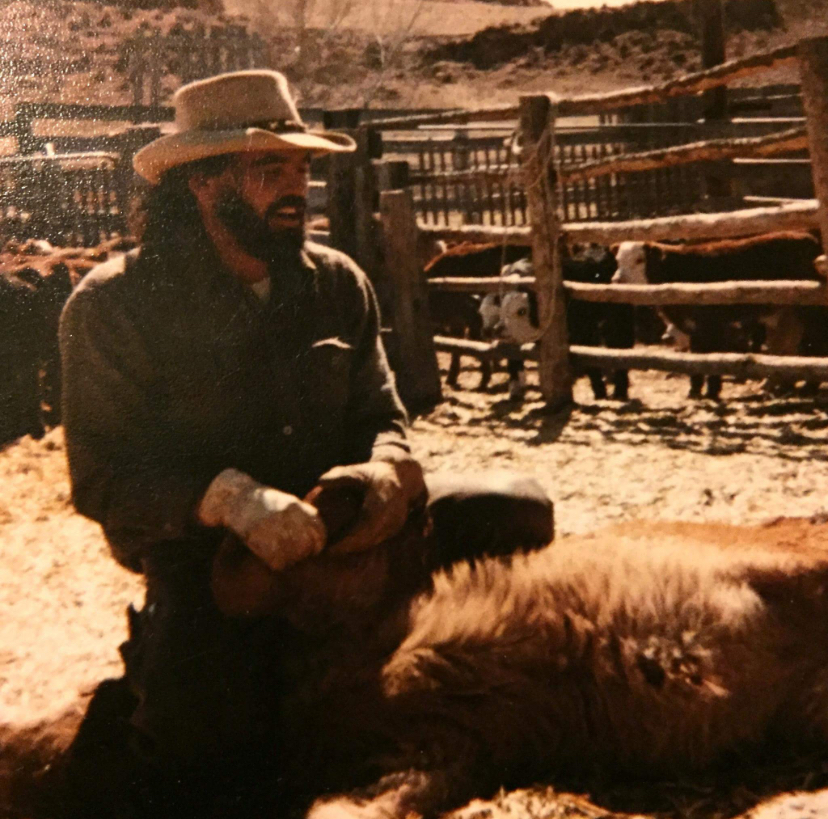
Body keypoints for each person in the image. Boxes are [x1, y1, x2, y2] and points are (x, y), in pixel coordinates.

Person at [59, 70, 427, 791]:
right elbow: (102, 479)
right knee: (200, 752)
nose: (298, 187)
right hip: (212, 566)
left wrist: (386, 471)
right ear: (200, 182)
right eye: (269, 168)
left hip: (348, 531)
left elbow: (383, 416)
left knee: (514, 508)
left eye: (301, 166)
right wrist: (230, 500)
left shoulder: (338, 282)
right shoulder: (114, 306)